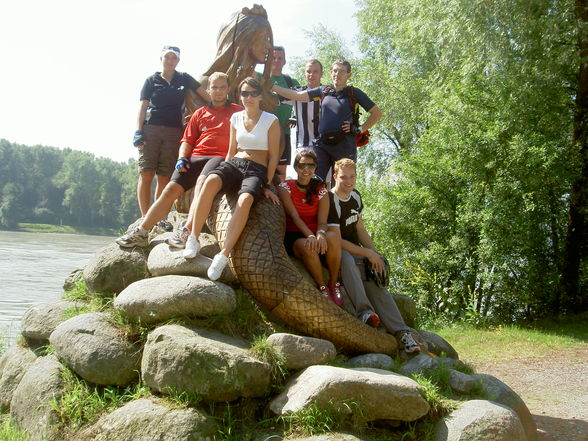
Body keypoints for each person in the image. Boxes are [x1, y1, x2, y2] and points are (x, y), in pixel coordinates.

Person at [117, 73, 241, 248]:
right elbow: (187, 140)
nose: (218, 91)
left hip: (220, 157)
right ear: (208, 89)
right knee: (170, 189)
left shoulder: (238, 112)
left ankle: (187, 230)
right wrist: (182, 158)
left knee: (201, 183)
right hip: (196, 156)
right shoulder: (200, 113)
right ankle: (142, 231)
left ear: (228, 89)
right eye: (214, 87)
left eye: (222, 87)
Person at [183, 77, 280, 281]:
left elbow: (273, 157)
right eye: (244, 93)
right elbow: (230, 151)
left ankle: (223, 254)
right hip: (235, 163)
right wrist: (224, 173)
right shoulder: (235, 118)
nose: (249, 97)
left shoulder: (270, 120)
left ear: (261, 95)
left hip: (257, 169)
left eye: (253, 93)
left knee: (245, 200)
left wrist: (268, 184)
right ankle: (193, 237)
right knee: (210, 181)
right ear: (240, 96)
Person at [327, 158, 420, 353]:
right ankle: (365, 312)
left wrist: (375, 253)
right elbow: (337, 240)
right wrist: (367, 253)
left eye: (352, 177)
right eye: (343, 177)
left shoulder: (356, 196)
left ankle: (402, 332)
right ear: (335, 177)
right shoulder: (329, 200)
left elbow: (360, 228)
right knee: (347, 259)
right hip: (336, 253)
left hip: (356, 251)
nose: (348, 181)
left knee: (374, 278)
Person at [134, 45, 210, 227]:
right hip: (151, 129)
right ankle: (145, 217)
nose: (170, 61)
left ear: (178, 60)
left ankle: (158, 218)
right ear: (161, 59)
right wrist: (138, 131)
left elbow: (205, 95)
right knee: (146, 173)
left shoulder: (183, 78)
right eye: (167, 57)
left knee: (164, 175)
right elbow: (142, 107)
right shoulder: (151, 80)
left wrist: (222, 102)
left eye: (173, 58)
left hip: (174, 131)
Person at [272, 59, 382, 180]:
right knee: (315, 181)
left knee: (342, 181)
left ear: (348, 75)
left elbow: (376, 113)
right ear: (330, 73)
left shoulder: (354, 93)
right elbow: (298, 95)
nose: (337, 74)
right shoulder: (324, 90)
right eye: (335, 71)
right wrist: (273, 86)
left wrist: (359, 129)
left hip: (344, 145)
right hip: (323, 144)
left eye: (342, 71)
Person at [278, 149, 343, 304]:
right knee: (309, 246)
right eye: (302, 165)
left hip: (315, 231)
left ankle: (334, 283)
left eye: (310, 165)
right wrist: (311, 236)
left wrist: (320, 235)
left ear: (315, 168)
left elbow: (322, 221)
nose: (306, 169)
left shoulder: (321, 190)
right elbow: (294, 216)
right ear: (295, 167)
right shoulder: (285, 187)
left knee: (333, 237)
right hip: (295, 234)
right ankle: (322, 286)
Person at [185, 4, 275, 114]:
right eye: (264, 38)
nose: (269, 46)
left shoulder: (257, 88)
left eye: (269, 39)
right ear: (243, 39)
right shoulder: (202, 87)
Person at [268, 46, 299, 180]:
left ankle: (280, 200)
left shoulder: (291, 82)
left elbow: (303, 103)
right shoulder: (259, 78)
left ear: (284, 61)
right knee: (262, 166)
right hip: (263, 131)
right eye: (273, 58)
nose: (276, 61)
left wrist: (295, 117)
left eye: (280, 58)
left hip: (284, 132)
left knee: (281, 171)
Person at [287, 59, 323, 149]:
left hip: (324, 146)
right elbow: (273, 98)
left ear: (321, 74)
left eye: (315, 71)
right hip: (303, 145)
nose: (311, 75)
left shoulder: (328, 93)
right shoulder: (296, 92)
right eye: (308, 71)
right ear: (305, 73)